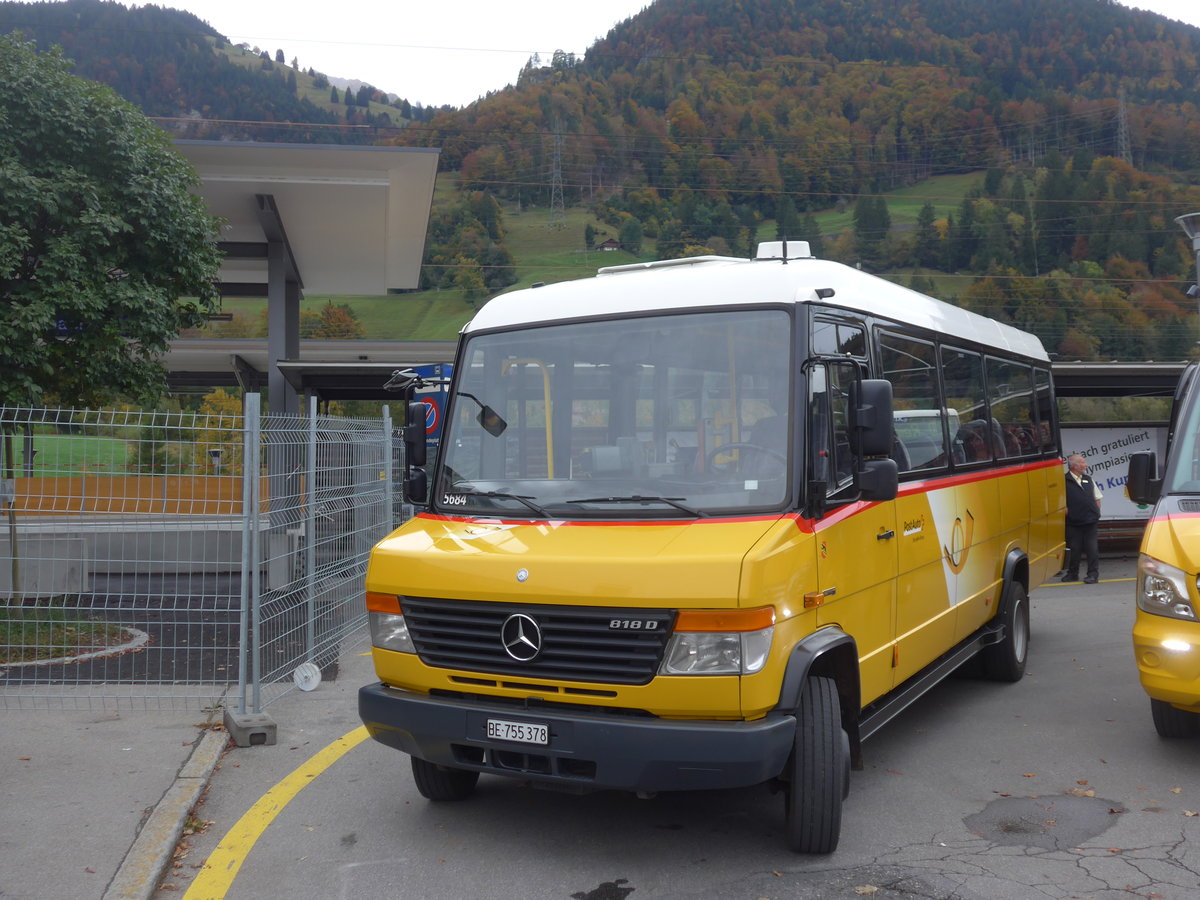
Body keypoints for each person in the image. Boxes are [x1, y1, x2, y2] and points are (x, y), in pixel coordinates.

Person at [1062, 453, 1103, 584]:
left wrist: (1096, 512)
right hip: (1074, 522)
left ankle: (1092, 575)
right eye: (1083, 463)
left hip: (1090, 520)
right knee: (1074, 549)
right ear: (1075, 466)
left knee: (1092, 549)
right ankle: (1072, 573)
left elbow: (1097, 498)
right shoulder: (1064, 481)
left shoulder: (1088, 479)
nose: (1086, 465)